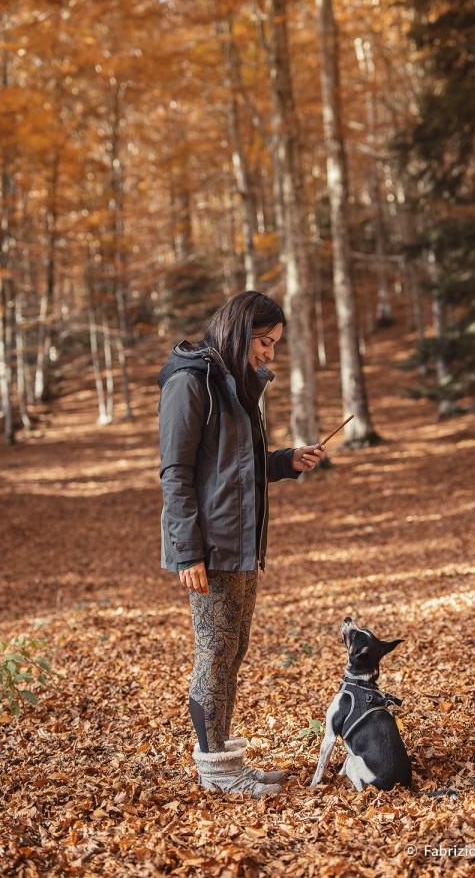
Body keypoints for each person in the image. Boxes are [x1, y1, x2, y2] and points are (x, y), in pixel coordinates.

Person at [158, 291, 324, 797]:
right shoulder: (192, 382)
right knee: (214, 651)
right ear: (239, 331)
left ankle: (226, 756)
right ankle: (215, 768)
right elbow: (176, 474)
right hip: (208, 549)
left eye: (275, 343)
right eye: (265, 341)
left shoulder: (239, 386)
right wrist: (187, 550)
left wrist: (285, 461)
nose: (271, 353)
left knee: (233, 651)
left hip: (243, 542)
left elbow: (234, 467)